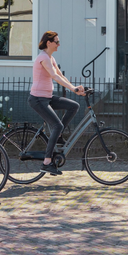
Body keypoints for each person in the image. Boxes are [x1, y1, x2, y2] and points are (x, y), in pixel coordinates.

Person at [30, 31, 85, 175]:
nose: (59, 44)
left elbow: (60, 75)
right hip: (37, 99)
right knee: (57, 125)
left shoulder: (51, 58)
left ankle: (58, 136)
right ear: (49, 43)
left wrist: (75, 89)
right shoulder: (43, 58)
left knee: (74, 106)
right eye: (57, 42)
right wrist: (73, 89)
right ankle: (47, 162)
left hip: (47, 97)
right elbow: (54, 76)